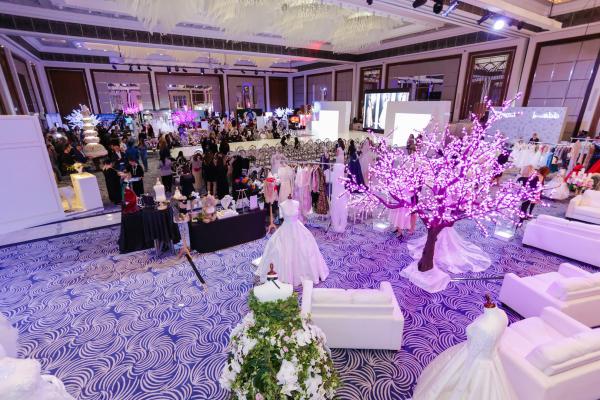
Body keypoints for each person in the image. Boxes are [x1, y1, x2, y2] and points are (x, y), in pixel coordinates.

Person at [256, 195, 329, 286]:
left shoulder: (296, 203)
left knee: (304, 249)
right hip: (285, 230)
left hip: (297, 228)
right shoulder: (282, 204)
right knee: (280, 250)